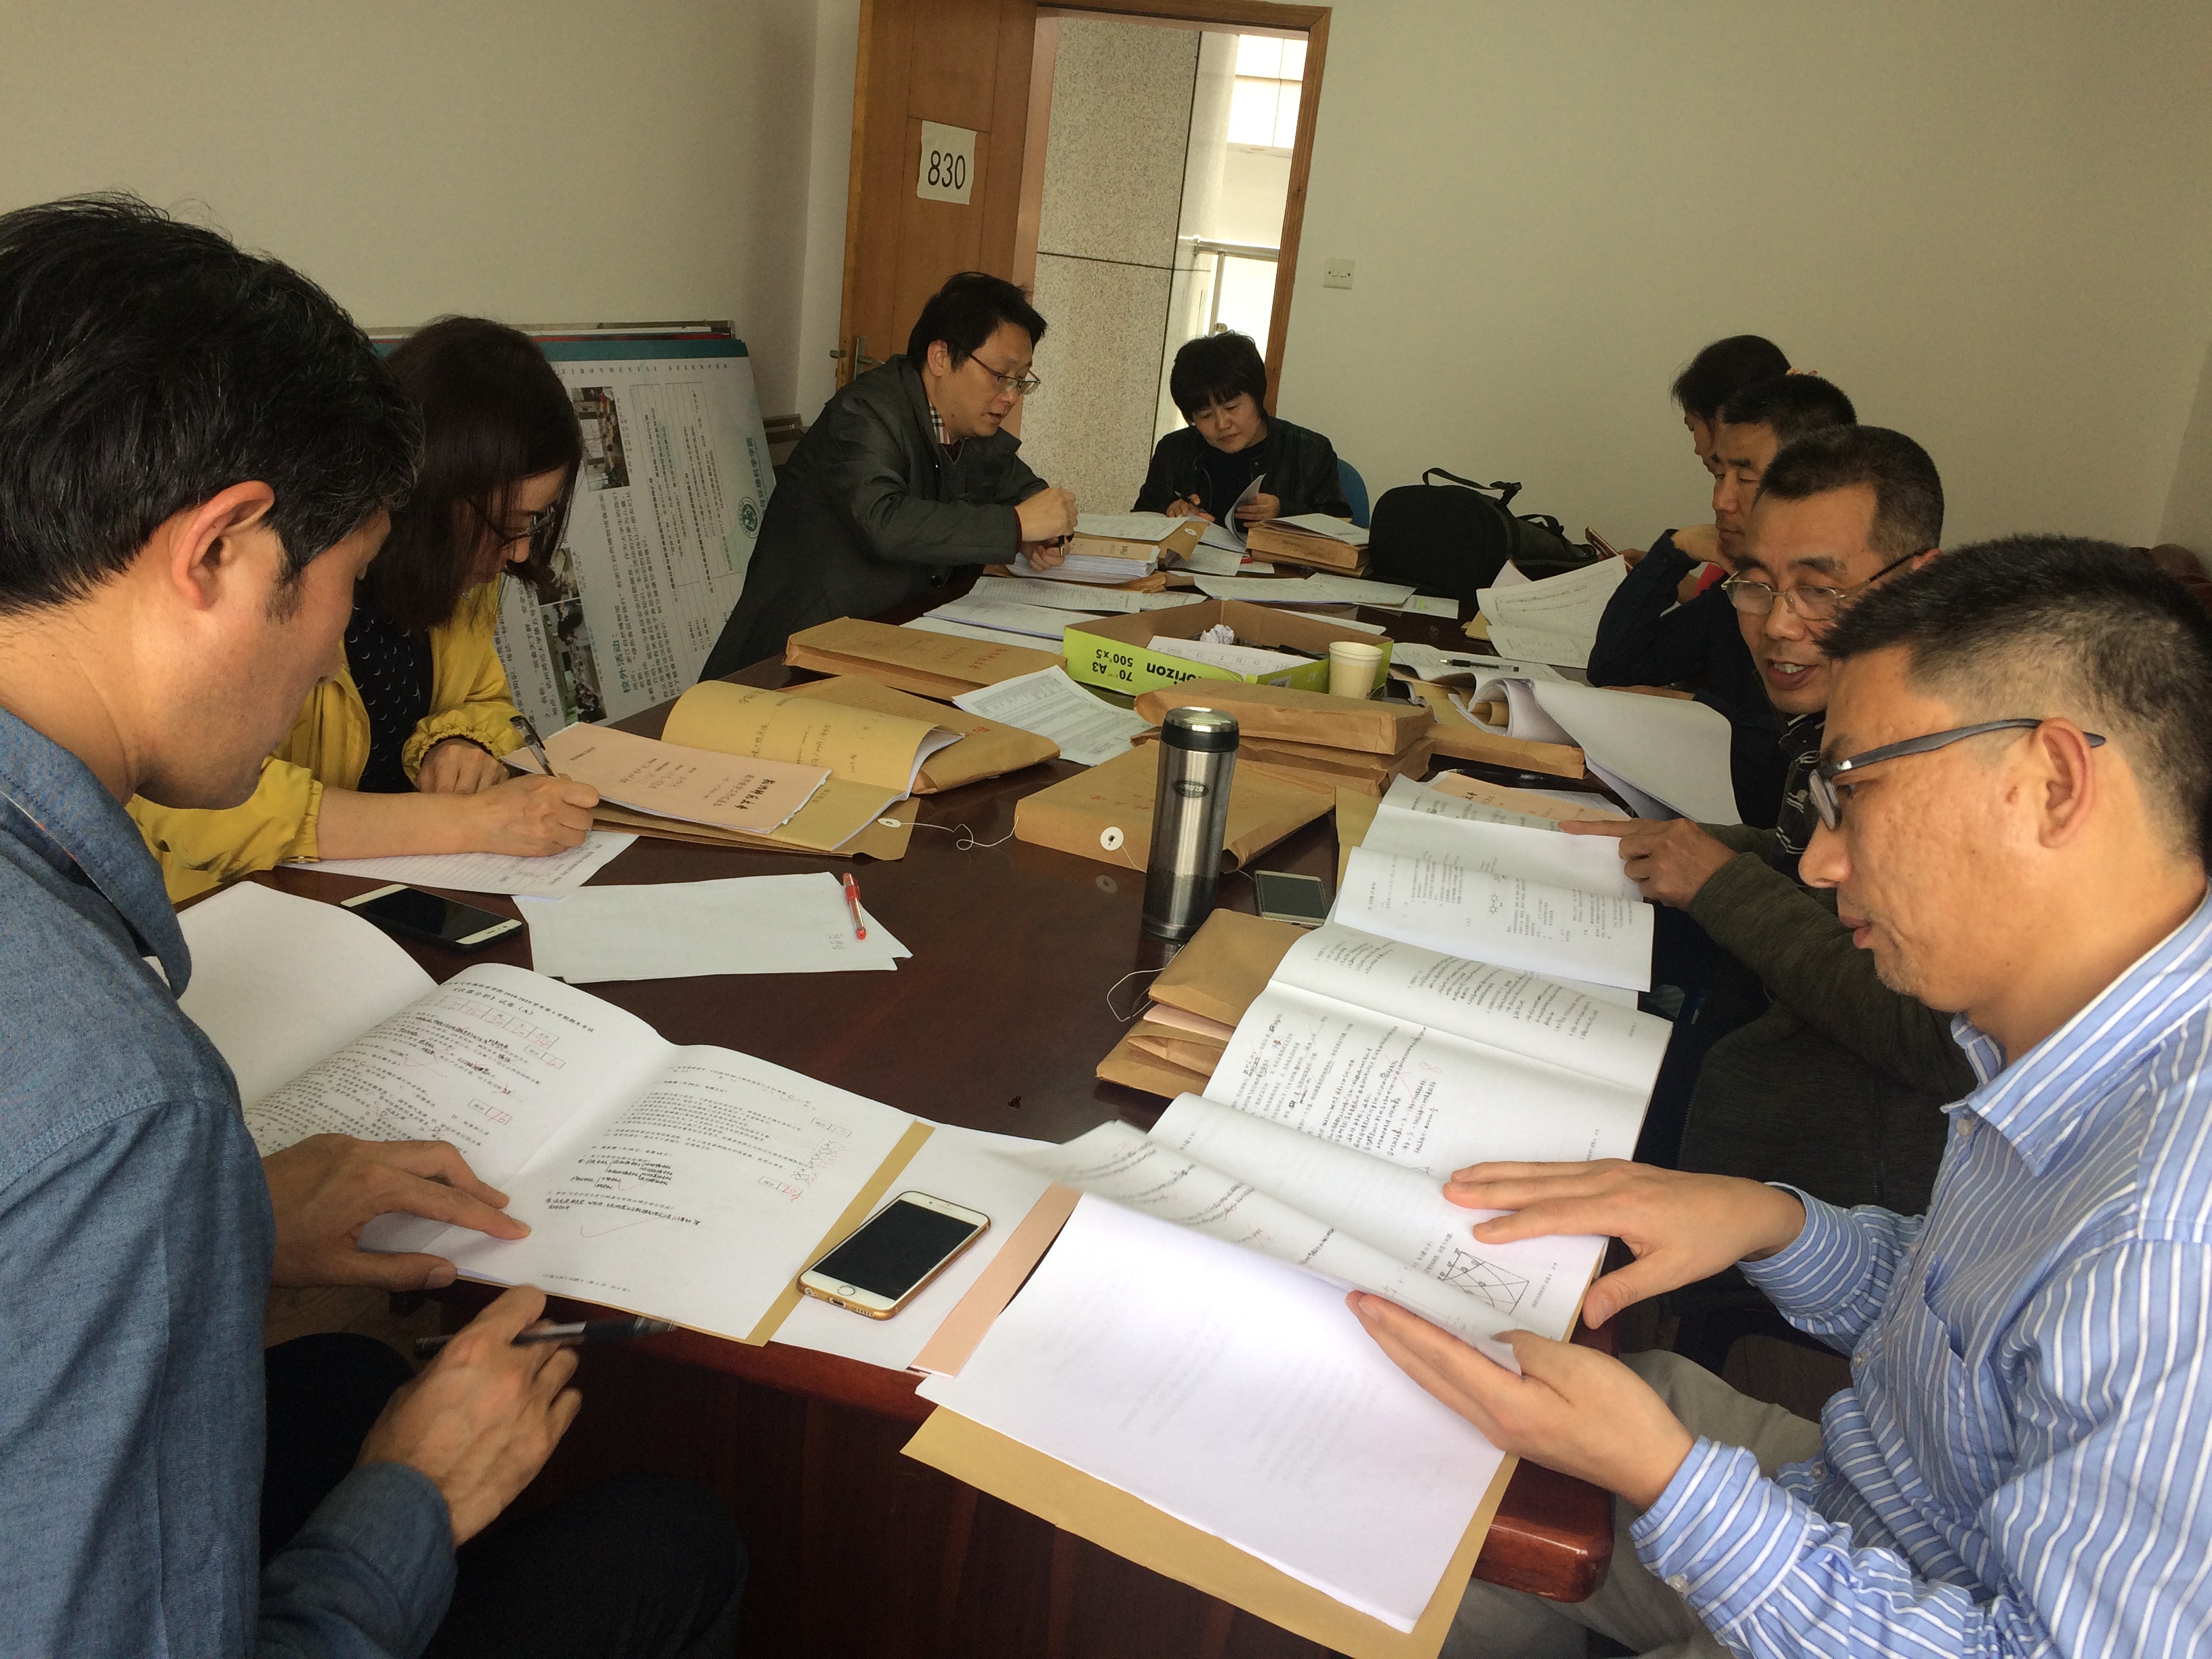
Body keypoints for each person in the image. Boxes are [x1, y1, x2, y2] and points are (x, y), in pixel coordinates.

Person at [0, 197, 741, 1656]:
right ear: (221, 551)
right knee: (670, 1539)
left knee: (336, 1385)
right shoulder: (122, 1103)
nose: (342, 644)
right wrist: (412, 1503)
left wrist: (240, 1227)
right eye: (339, 589)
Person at [1358, 535, 2212, 1659]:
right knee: (1401, 1455)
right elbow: (1981, 1334)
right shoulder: (2064, 1033)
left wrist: (1669, 1479)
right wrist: (1772, 1221)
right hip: (1857, 1500)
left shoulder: (2169, 1239)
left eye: (1853, 793)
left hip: (1901, 1615)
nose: (1818, 863)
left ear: (2050, 784)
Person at [1570, 426, 1973, 1214]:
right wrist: (1688, 847)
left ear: (1917, 580)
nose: (1780, 625)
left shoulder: (1949, 762)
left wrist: (1721, 882)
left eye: (1820, 590)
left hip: (1820, 1192)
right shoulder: (1832, 720)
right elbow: (1801, 865)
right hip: (1733, 1073)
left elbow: (1932, 1035)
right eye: (1756, 585)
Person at [129, 314, 602, 901]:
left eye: (531, 524)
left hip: (393, 887)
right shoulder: (277, 585)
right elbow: (195, 804)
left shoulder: (458, 585)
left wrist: (457, 743)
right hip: (237, 910)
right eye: (510, 524)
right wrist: (467, 822)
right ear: (432, 496)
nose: (521, 552)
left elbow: (485, 699)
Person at [700, 270, 1076, 678]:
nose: (1011, 396)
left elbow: (1023, 490)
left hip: (891, 640)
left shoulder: (969, 426)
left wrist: (1045, 533)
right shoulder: (864, 412)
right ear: (940, 357)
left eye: (1021, 381)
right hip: (795, 655)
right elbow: (885, 522)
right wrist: (1017, 526)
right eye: (1001, 375)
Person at [1589, 344, 1826, 826]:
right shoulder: (1735, 594)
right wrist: (1675, 550)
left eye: (1743, 477)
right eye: (1720, 475)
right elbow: (1614, 666)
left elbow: (1803, 758)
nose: (1720, 501)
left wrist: (1702, 713)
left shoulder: (1843, 607)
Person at [1132, 329, 1350, 528]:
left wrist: (1284, 512)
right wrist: (1170, 512)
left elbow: (1342, 528)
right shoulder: (1173, 450)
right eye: (1206, 415)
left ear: (1257, 397)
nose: (1222, 424)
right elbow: (1139, 521)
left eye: (1231, 407)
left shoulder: (1310, 452)